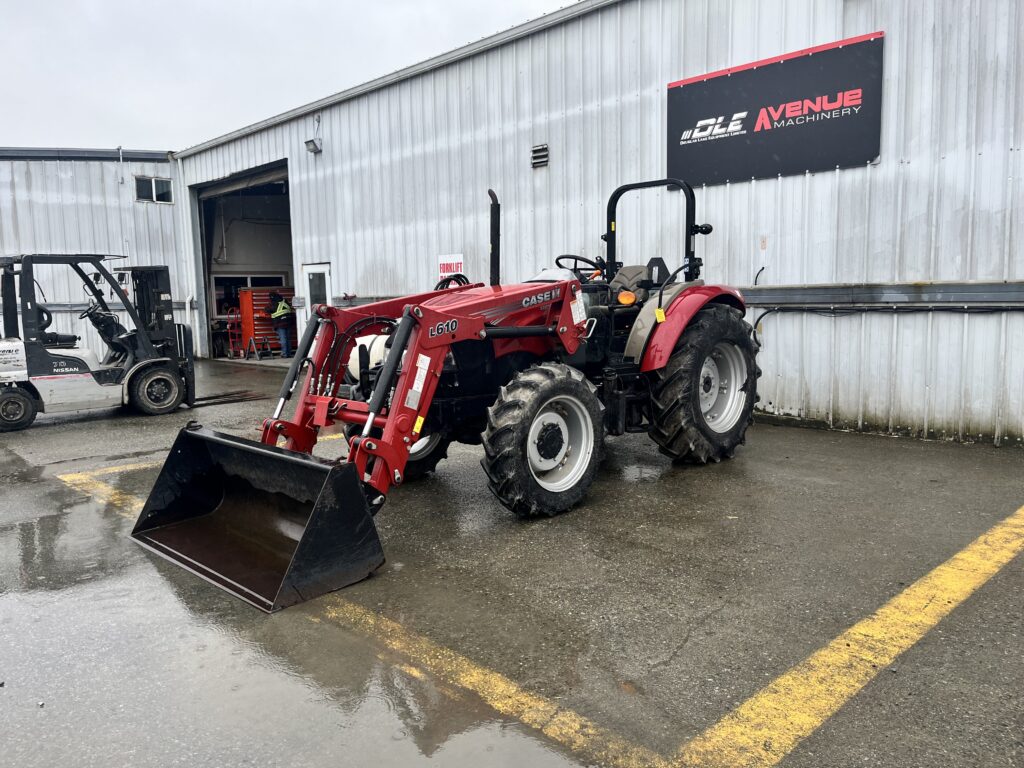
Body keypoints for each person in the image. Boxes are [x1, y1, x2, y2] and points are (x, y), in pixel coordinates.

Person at [264, 290, 296, 358]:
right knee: (288, 338)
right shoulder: (285, 301)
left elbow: (267, 310)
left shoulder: (273, 303)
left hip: (280, 323)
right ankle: (288, 353)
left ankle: (284, 354)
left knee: (283, 339)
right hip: (289, 322)